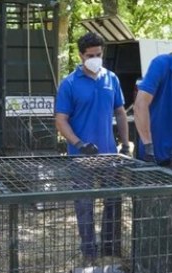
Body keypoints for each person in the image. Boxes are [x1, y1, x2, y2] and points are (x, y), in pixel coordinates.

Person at [55, 32, 129, 260]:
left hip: (109, 154)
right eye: (90, 55)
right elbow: (60, 120)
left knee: (113, 202)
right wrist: (79, 143)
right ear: (80, 55)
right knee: (84, 205)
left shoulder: (112, 79)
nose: (95, 58)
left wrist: (125, 145)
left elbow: (120, 112)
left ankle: (110, 248)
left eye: (98, 54)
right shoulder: (69, 84)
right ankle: (89, 251)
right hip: (80, 156)